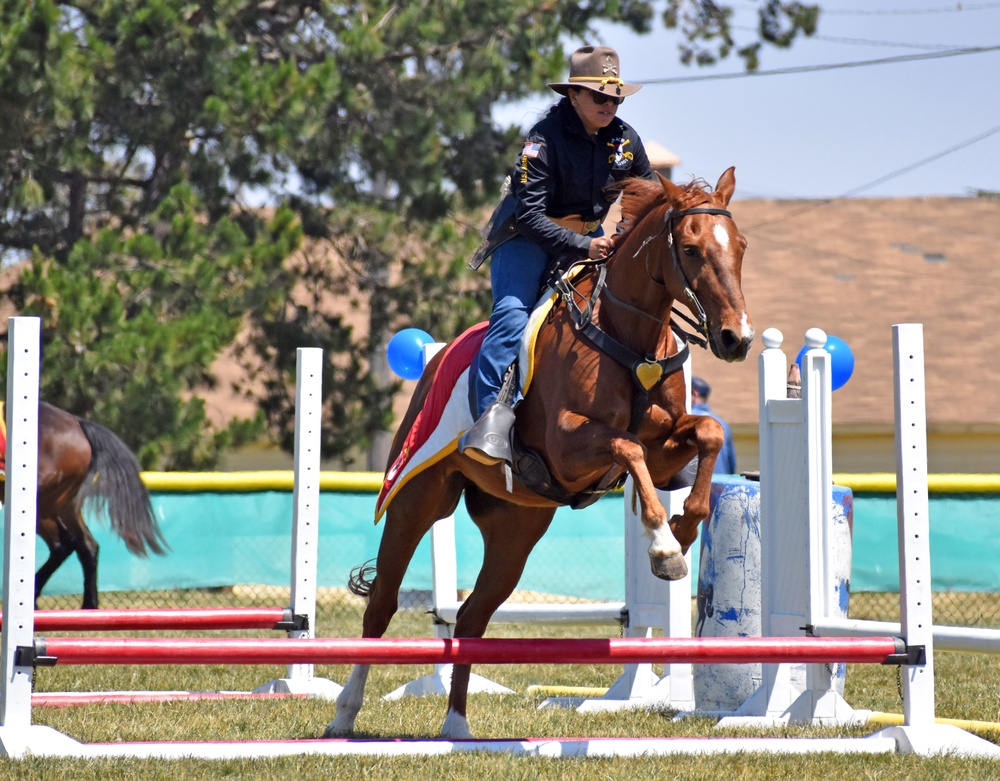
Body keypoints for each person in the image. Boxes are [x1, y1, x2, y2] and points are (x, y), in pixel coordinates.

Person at [459, 45, 656, 466]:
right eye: (599, 97)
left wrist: (622, 235)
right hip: (527, 240)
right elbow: (529, 216)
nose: (610, 105)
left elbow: (649, 196)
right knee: (512, 316)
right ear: (574, 96)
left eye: (615, 98)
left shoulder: (625, 139)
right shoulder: (542, 139)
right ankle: (489, 422)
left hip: (591, 239)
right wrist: (588, 245)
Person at [691, 376, 737, 475]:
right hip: (721, 485)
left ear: (694, 394)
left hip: (696, 487)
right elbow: (731, 465)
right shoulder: (722, 423)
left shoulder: (687, 420)